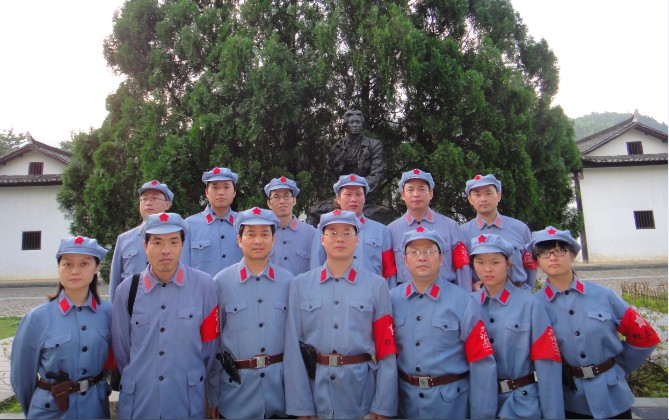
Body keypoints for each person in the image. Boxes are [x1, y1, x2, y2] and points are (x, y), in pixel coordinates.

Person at [528, 226, 661, 419]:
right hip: (571, 401)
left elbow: (645, 337)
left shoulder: (603, 295)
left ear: (572, 255)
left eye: (559, 250)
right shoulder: (535, 305)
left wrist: (618, 368)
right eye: (544, 253)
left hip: (612, 396)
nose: (552, 257)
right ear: (537, 261)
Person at [284, 209, 398, 418]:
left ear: (357, 240)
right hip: (316, 393)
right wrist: (301, 406)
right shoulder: (300, 285)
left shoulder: (377, 285)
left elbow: (386, 348)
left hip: (361, 393)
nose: (340, 238)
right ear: (322, 240)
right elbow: (293, 348)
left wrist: (383, 405)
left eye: (347, 232)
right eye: (333, 233)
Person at [111, 212, 220, 419]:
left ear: (183, 245)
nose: (166, 250)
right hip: (141, 401)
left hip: (186, 400)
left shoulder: (205, 286)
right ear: (145, 246)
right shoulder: (126, 290)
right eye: (157, 242)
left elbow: (209, 347)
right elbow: (122, 350)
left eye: (173, 242)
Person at [390, 227, 497, 419]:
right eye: (414, 252)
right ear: (404, 260)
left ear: (441, 258)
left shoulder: (463, 301)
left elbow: (481, 362)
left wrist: (483, 414)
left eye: (429, 251)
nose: (422, 257)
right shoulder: (391, 300)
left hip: (451, 405)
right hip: (406, 404)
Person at [11, 236, 113, 418]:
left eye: (84, 264)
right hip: (51, 412)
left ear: (96, 268)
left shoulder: (108, 313)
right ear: (59, 267)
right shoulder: (37, 318)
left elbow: (110, 361)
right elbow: (21, 377)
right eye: (67, 264)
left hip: (95, 409)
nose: (75, 271)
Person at [207, 207, 293, 419]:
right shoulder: (220, 283)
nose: (258, 241)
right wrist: (213, 394)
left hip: (280, 394)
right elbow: (213, 344)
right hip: (236, 395)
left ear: (273, 239)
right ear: (239, 240)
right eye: (251, 234)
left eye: (264, 234)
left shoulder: (289, 282)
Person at [470, 233, 563, 419]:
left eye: (495, 262)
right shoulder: (469, 304)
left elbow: (547, 364)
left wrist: (554, 415)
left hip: (521, 403)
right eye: (480, 262)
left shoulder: (529, 304)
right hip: (480, 403)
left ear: (508, 263)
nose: (487, 269)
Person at [388, 168, 472, 290]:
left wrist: (465, 296)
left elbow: (462, 266)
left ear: (431, 193)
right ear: (403, 195)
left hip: (445, 294)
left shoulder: (450, 226)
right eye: (410, 190)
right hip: (405, 296)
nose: (416, 194)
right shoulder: (391, 230)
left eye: (421, 189)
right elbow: (389, 270)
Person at [310, 174, 396, 286]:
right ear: (338, 198)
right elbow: (316, 267)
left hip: (372, 292)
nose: (353, 199)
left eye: (358, 194)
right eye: (348, 194)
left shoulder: (382, 232)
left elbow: (389, 272)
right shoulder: (323, 230)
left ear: (364, 198)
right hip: (335, 293)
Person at [460, 174, 537, 290]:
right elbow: (463, 270)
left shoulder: (520, 228)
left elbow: (530, 266)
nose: (483, 199)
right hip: (482, 296)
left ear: (499, 196)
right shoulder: (462, 233)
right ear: (470, 199)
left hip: (517, 294)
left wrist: (528, 293)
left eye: (488, 193)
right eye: (477, 194)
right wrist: (471, 289)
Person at [109, 179, 173, 302]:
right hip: (132, 304)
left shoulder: (176, 238)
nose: (148, 203)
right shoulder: (124, 239)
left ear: (167, 204)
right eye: (144, 199)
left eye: (154, 198)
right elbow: (115, 280)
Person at [182, 167, 242, 276]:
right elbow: (183, 266)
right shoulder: (189, 225)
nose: (221, 192)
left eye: (226, 187)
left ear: (234, 192)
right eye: (215, 187)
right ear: (206, 192)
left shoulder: (244, 224)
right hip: (201, 286)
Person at [327, 109, 384, 203]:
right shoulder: (336, 147)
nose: (355, 125)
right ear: (346, 125)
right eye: (351, 122)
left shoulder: (374, 145)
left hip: (365, 195)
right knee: (316, 210)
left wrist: (359, 190)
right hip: (343, 195)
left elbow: (377, 173)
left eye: (358, 122)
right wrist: (343, 191)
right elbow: (331, 173)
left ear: (362, 125)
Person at [264, 176, 316, 275]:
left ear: (294, 200)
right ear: (269, 203)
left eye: (286, 196)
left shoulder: (311, 233)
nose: (282, 201)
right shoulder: (263, 234)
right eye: (276, 197)